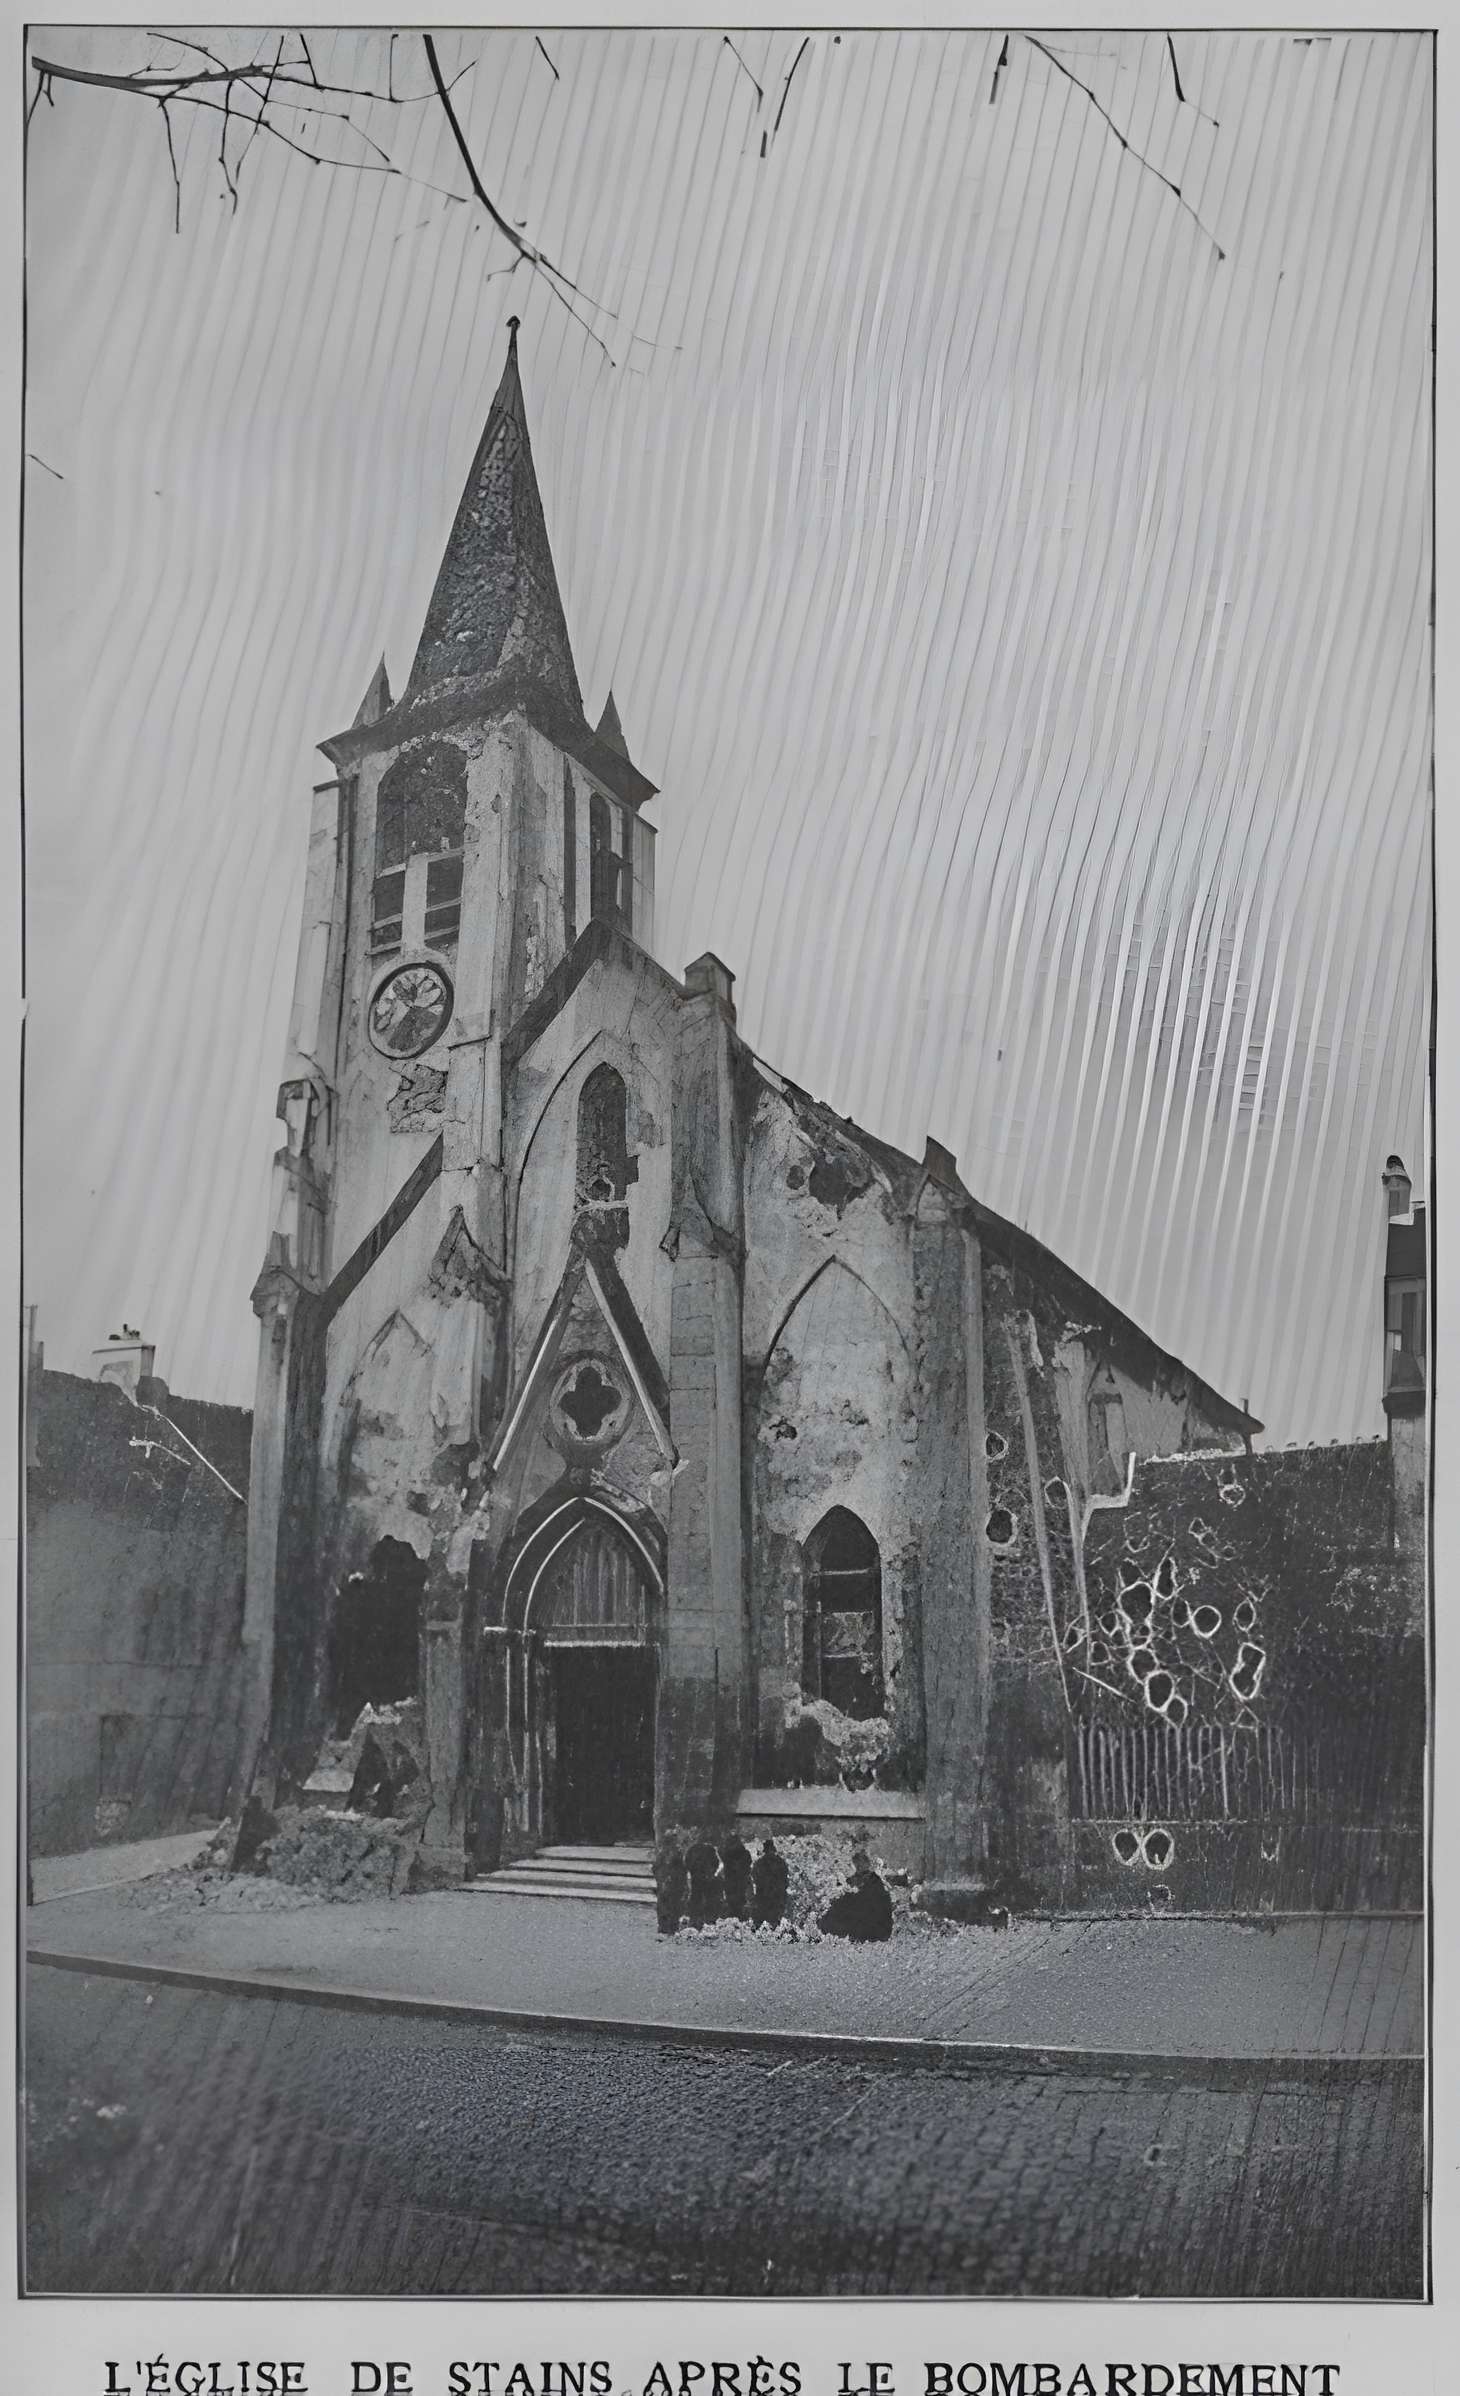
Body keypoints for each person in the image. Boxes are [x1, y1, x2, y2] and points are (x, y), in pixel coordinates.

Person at [818, 1846, 894, 1943]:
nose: (859, 1866)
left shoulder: (873, 1883)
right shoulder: (862, 1882)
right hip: (867, 1930)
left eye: (862, 1863)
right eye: (858, 1863)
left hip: (867, 1929)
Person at [750, 1836, 789, 1930]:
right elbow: (785, 1879)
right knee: (774, 1916)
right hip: (776, 1894)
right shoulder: (780, 1862)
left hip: (764, 1894)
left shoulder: (759, 1863)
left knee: (764, 1915)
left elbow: (754, 1877)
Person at [684, 1835, 723, 1928]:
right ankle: (708, 1921)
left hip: (696, 1878)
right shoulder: (710, 1849)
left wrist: (692, 1872)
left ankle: (694, 1921)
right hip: (706, 1878)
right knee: (708, 1899)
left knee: (696, 1898)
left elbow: (687, 1861)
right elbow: (717, 1863)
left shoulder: (692, 1849)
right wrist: (712, 1874)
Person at [655, 1841, 688, 1935]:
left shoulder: (663, 1854)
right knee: (670, 1905)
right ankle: (668, 1927)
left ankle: (665, 1927)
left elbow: (655, 1868)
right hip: (671, 1883)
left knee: (667, 1905)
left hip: (669, 1883)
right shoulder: (675, 1855)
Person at [719, 1831, 753, 1920]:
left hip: (732, 1880)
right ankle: (739, 1914)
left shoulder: (727, 1853)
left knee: (733, 1897)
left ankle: (734, 1913)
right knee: (739, 1896)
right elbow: (748, 1863)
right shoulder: (744, 1853)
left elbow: (722, 1856)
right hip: (740, 1879)